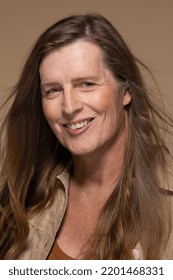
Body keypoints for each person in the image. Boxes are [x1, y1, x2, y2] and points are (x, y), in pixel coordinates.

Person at [0, 13, 173, 260]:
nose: (69, 107)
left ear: (126, 92)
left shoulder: (167, 207)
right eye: (53, 90)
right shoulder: (25, 199)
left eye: (87, 84)